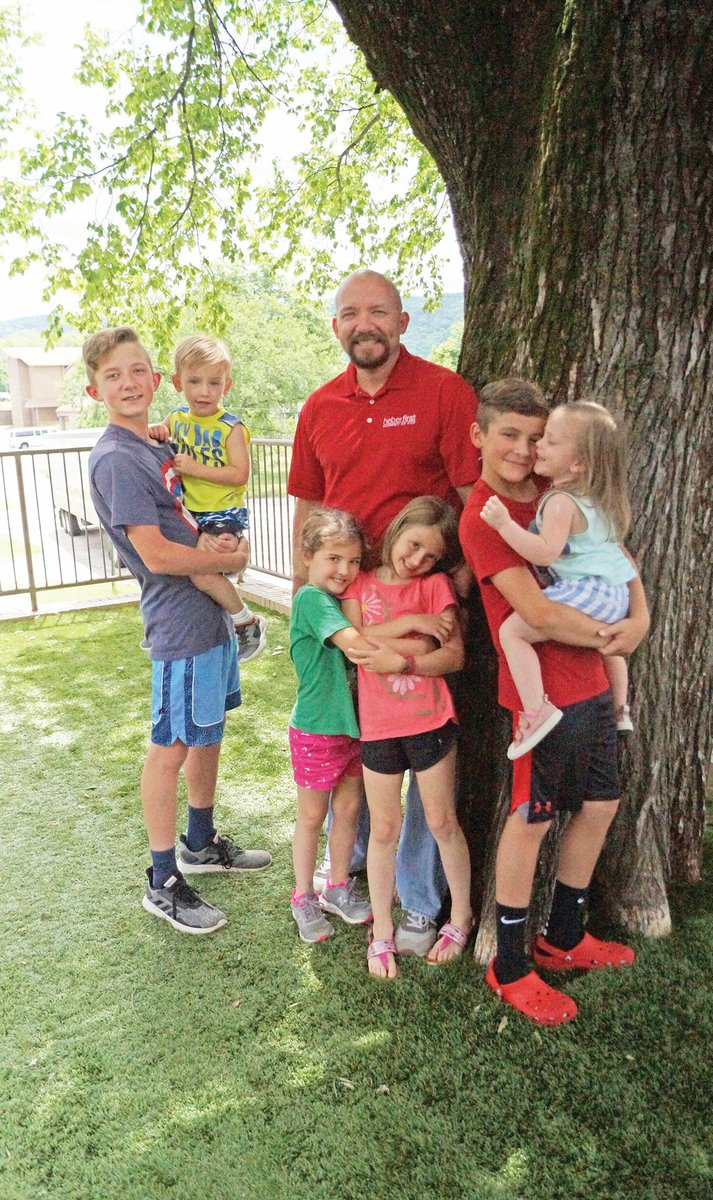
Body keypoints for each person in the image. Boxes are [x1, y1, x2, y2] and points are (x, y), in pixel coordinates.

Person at [287, 268, 480, 955]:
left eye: (377, 312)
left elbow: (472, 496)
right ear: (336, 326)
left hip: (421, 602)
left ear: (401, 322)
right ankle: (360, 876)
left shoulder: (443, 393)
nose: (363, 324)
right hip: (347, 606)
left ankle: (423, 900)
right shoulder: (319, 406)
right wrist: (305, 594)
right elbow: (308, 508)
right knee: (362, 747)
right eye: (349, 314)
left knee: (422, 736)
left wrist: (453, 585)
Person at [459, 378, 649, 1025]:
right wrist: (609, 633)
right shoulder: (483, 517)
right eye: (508, 434)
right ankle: (509, 964)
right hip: (539, 700)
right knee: (533, 816)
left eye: (535, 437)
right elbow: (534, 610)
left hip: (596, 684)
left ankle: (564, 937)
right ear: (480, 436)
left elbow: (619, 559)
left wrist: (640, 621)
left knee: (601, 802)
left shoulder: (558, 491)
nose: (522, 448)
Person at [85, 326, 272, 936]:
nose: (128, 383)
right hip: (177, 621)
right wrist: (226, 562)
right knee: (171, 746)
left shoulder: (156, 445)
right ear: (95, 390)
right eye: (113, 376)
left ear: (156, 380)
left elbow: (204, 495)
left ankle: (198, 840)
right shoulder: (115, 458)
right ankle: (162, 879)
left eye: (137, 370)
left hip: (210, 616)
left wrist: (225, 551)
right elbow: (159, 556)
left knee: (207, 731)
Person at [342, 497, 472, 979]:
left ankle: (459, 916)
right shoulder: (360, 583)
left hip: (430, 722)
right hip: (378, 727)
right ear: (397, 530)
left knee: (441, 822)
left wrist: (402, 658)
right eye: (414, 545)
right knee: (383, 830)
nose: (417, 561)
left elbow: (453, 656)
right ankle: (381, 932)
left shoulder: (437, 587)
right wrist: (415, 632)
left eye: (431, 556)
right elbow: (352, 643)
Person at [480, 401, 636, 759]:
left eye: (549, 441)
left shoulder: (560, 502)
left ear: (578, 463)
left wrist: (505, 525)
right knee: (606, 642)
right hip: (614, 593)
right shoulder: (596, 500)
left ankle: (536, 710)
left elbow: (546, 552)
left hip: (587, 590)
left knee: (513, 632)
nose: (538, 447)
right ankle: (620, 708)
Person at [148, 335, 267, 664]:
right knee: (171, 563)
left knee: (203, 573)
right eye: (194, 381)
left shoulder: (230, 428)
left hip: (222, 512)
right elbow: (162, 434)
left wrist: (197, 469)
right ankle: (164, 627)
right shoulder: (176, 419)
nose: (204, 391)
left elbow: (240, 474)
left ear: (226, 386)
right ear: (177, 383)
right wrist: (156, 430)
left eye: (214, 383)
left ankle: (246, 620)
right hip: (189, 512)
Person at [288, 507, 374, 943]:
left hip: (352, 730)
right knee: (311, 816)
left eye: (354, 561)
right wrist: (414, 626)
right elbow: (355, 645)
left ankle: (337, 886)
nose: (345, 570)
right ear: (308, 557)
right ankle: (303, 894)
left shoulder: (341, 601)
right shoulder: (311, 599)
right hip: (317, 730)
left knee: (349, 812)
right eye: (334, 559)